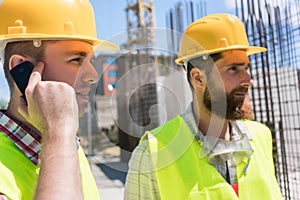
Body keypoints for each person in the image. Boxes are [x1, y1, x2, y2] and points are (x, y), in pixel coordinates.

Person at [124, 13, 283, 199]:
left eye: (246, 68)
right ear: (198, 78)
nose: (248, 80)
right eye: (233, 69)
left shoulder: (261, 136)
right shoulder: (152, 155)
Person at [0, 0, 118, 199]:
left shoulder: (67, 142)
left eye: (91, 61)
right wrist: (58, 133)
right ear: (23, 69)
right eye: (76, 60)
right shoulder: (60, 136)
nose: (93, 75)